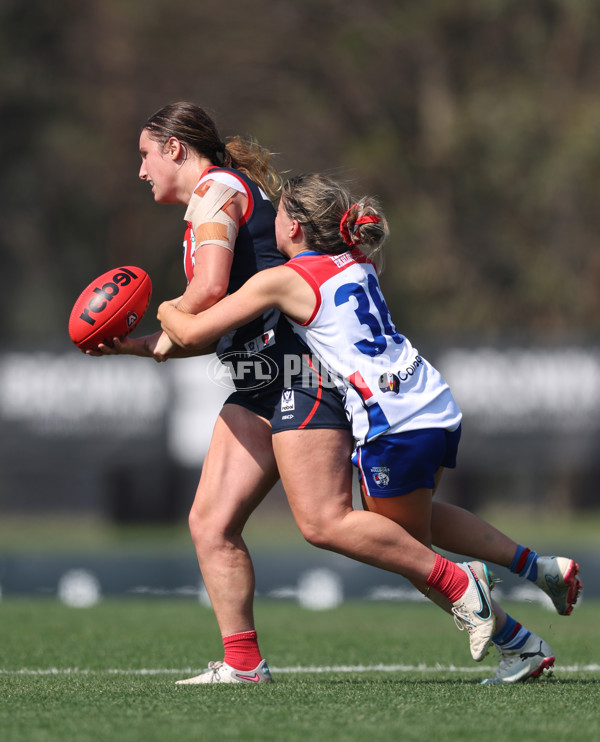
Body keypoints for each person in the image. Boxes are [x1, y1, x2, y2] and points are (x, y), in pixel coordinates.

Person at [158, 172, 581, 685]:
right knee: (410, 533)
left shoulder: (285, 278)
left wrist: (160, 308)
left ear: (293, 225)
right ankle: (536, 581)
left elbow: (195, 327)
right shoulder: (359, 259)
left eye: (280, 215)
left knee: (393, 546)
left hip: (393, 423)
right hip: (434, 406)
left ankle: (498, 612)